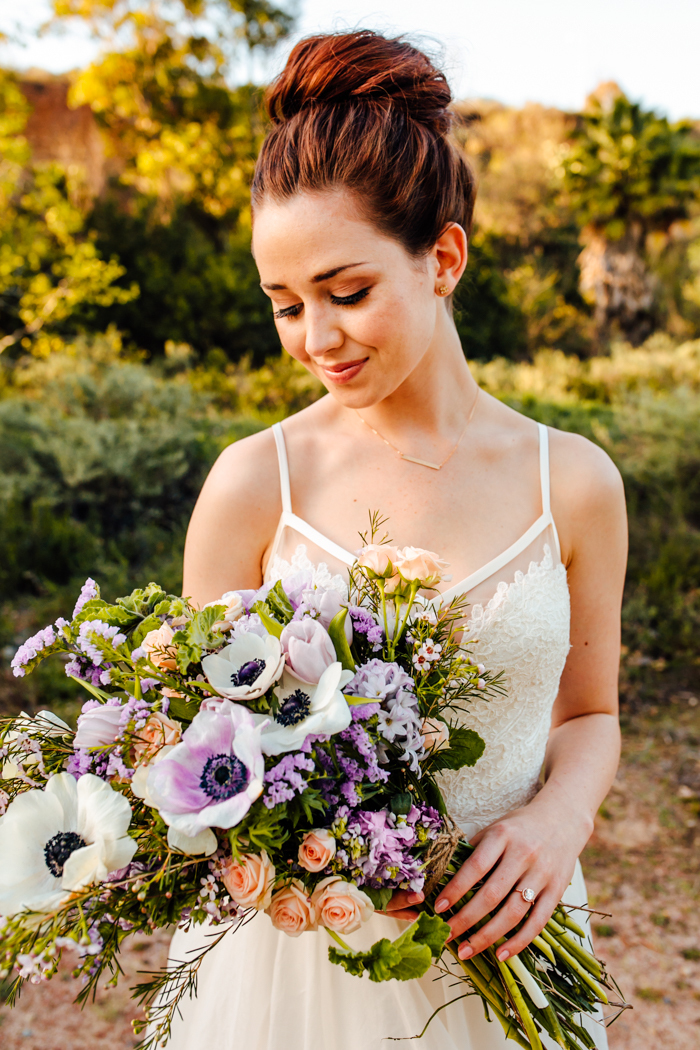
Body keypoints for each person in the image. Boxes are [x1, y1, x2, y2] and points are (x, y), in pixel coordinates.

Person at [164, 30, 627, 1049]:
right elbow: (206, 755)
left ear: (443, 257)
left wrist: (557, 824)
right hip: (301, 969)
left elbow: (589, 714)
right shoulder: (253, 485)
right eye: (285, 306)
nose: (315, 340)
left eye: (346, 291)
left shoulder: (574, 482)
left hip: (507, 940)